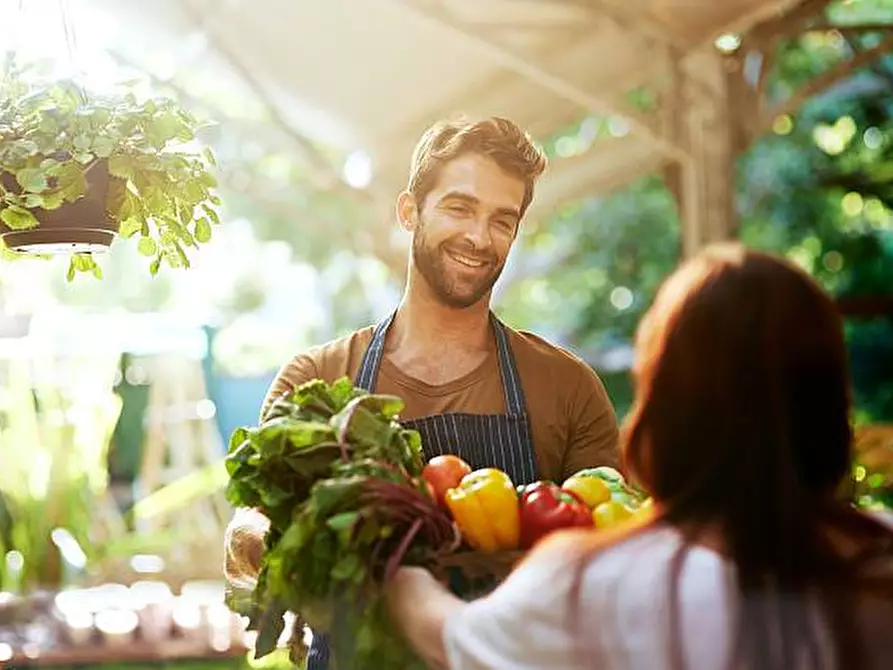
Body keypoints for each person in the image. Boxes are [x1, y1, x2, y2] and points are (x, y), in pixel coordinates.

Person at [223, 116, 621, 669]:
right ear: (409, 211)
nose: (479, 238)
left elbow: (612, 558)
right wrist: (267, 539)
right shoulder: (317, 379)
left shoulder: (566, 386)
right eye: (459, 208)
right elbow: (250, 525)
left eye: (502, 220)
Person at [386, 244, 893, 669]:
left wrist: (394, 560)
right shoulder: (879, 562)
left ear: (665, 409)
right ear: (831, 407)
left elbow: (448, 635)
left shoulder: (593, 584)